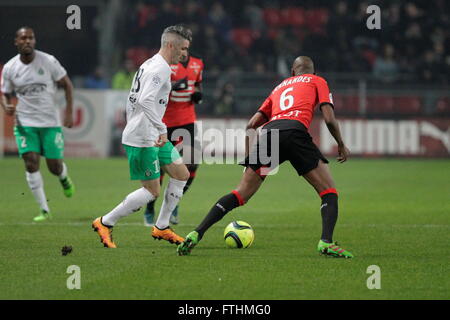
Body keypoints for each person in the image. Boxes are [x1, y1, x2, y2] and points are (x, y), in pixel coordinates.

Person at [177, 56, 354, 258]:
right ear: (312, 71)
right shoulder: (317, 81)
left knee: (240, 194)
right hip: (296, 133)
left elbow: (251, 125)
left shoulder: (278, 88)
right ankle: (326, 242)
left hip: (270, 135)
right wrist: (340, 144)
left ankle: (196, 233)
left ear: (292, 71)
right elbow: (329, 118)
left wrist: (248, 159)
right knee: (328, 191)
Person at [92, 25, 192, 248]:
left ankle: (162, 227)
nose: (185, 54)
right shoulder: (161, 68)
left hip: (152, 134)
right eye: (183, 48)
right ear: (170, 45)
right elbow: (144, 100)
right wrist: (161, 128)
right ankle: (105, 222)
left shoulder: (149, 63)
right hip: (143, 136)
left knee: (181, 174)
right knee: (152, 190)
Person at [0, 27, 75, 222]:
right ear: (16, 42)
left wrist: (68, 112)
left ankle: (64, 178)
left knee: (54, 167)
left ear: (34, 41)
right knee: (31, 162)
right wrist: (6, 105)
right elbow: (5, 93)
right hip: (24, 123)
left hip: (50, 122)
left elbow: (67, 84)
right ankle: (44, 210)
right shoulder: (10, 68)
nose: (27, 41)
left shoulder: (48, 61)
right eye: (23, 38)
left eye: (30, 38)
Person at [144, 50, 204, 226]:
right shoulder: (165, 65)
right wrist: (174, 86)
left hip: (187, 121)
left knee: (192, 163)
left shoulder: (198, 63)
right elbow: (154, 93)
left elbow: (198, 86)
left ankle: (173, 201)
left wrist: (198, 96)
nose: (184, 50)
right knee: (162, 168)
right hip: (164, 122)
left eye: (186, 46)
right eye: (182, 47)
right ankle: (149, 208)